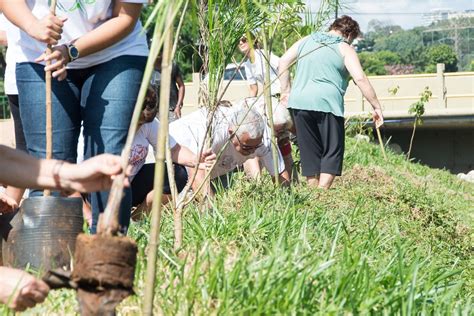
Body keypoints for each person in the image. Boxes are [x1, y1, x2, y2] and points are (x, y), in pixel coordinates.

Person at [1, 0, 149, 234]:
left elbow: (126, 17)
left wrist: (71, 51)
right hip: (39, 55)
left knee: (107, 155)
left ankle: (105, 255)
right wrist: (33, 26)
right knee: (48, 160)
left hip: (116, 53)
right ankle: (52, 262)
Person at [279, 15, 384, 189]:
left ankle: (313, 196)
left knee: (309, 150)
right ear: (349, 35)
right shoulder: (344, 47)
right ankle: (322, 194)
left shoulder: (307, 39)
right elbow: (360, 78)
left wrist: (286, 91)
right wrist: (376, 106)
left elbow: (283, 61)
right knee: (332, 149)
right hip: (327, 104)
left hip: (299, 103)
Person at [129, 88, 215, 217]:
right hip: (102, 189)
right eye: (137, 123)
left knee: (177, 174)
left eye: (142, 123)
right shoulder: (102, 127)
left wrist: (196, 160)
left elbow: (173, 150)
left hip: (131, 184)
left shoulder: (148, 123)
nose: (139, 127)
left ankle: (137, 218)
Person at [169, 106, 289, 196]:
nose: (252, 152)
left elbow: (280, 175)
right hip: (179, 160)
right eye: (246, 147)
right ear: (231, 133)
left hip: (219, 168)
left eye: (255, 147)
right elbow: (197, 176)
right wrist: (212, 218)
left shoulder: (264, 139)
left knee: (222, 198)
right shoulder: (212, 132)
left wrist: (286, 203)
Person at [0, 14, 28, 206]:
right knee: (27, 149)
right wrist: (31, 31)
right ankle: (9, 207)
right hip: (23, 76)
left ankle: (9, 206)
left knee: (26, 150)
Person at [151, 53, 185, 122]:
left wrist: (178, 106)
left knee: (174, 131)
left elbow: (181, 86)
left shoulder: (172, 66)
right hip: (153, 112)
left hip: (171, 110)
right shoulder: (147, 68)